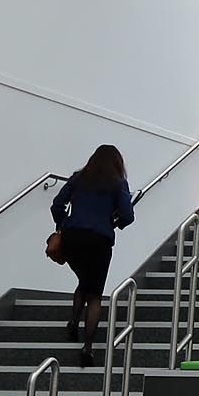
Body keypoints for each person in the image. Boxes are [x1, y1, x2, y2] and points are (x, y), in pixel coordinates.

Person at [51, 145, 135, 365]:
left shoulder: (78, 178)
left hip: (73, 238)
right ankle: (87, 348)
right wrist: (114, 222)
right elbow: (127, 215)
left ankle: (73, 323)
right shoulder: (118, 183)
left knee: (84, 281)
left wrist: (63, 225)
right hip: (99, 241)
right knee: (95, 295)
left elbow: (57, 204)